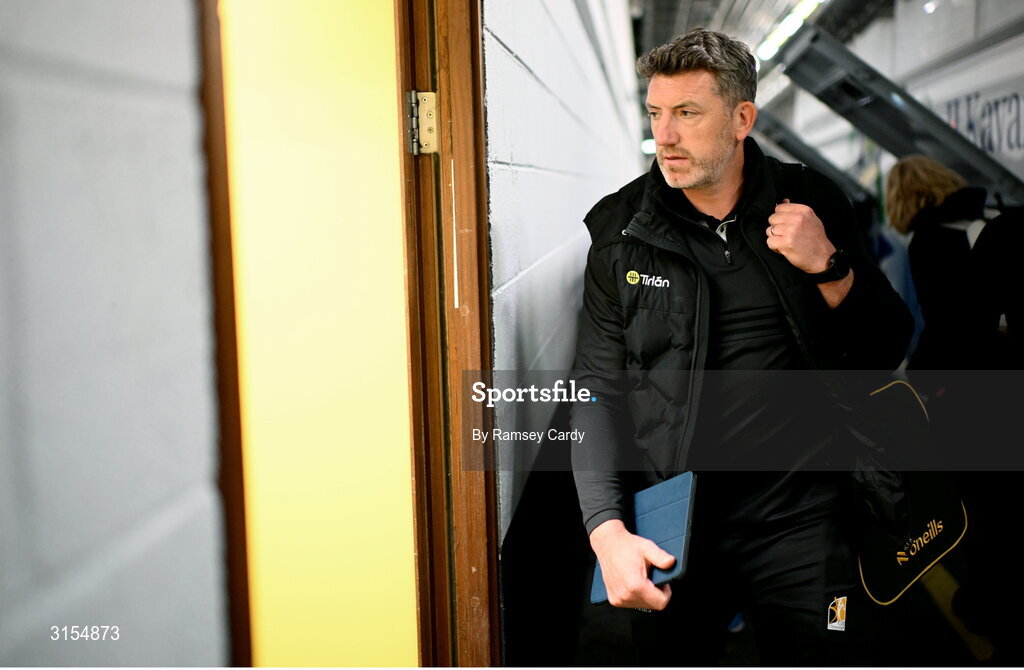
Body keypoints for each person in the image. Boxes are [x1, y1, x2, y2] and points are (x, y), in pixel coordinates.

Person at [570, 28, 912, 665]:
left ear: (741, 119)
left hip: (803, 517)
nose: (664, 136)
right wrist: (606, 529)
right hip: (673, 519)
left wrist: (830, 266)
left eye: (687, 114)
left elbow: (886, 344)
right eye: (656, 113)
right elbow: (595, 392)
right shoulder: (622, 234)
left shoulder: (810, 202)